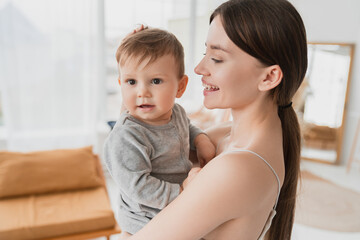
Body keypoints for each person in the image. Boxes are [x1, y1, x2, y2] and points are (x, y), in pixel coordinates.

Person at [127, 0, 308, 239]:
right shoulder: (223, 136)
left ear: (269, 77)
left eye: (217, 58)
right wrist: (135, 70)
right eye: (205, 53)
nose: (199, 68)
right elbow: (132, 152)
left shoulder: (237, 168)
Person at [103, 27, 216, 239]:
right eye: (131, 82)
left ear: (180, 87)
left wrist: (200, 139)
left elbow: (187, 128)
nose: (142, 92)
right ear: (121, 85)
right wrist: (182, 192)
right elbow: (138, 187)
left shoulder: (176, 112)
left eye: (155, 81)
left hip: (174, 211)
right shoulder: (127, 136)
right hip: (144, 223)